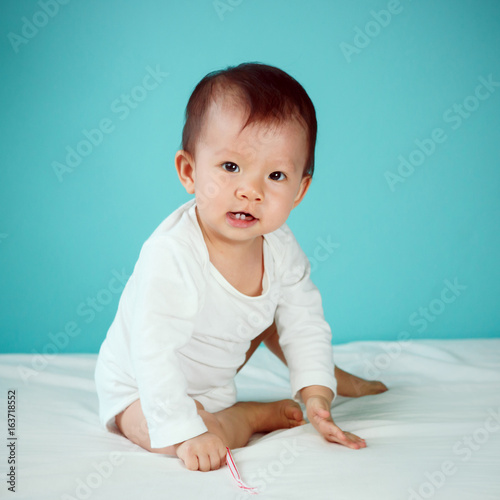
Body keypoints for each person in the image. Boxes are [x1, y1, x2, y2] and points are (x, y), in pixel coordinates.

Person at [95, 62, 387, 473]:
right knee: (174, 438)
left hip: (212, 383)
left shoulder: (280, 248)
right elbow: (153, 350)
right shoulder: (172, 253)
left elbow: (303, 322)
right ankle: (249, 417)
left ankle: (324, 380)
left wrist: (317, 394)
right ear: (189, 172)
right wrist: (186, 428)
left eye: (276, 175)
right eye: (230, 167)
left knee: (280, 311)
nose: (251, 190)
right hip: (138, 385)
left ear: (300, 190)